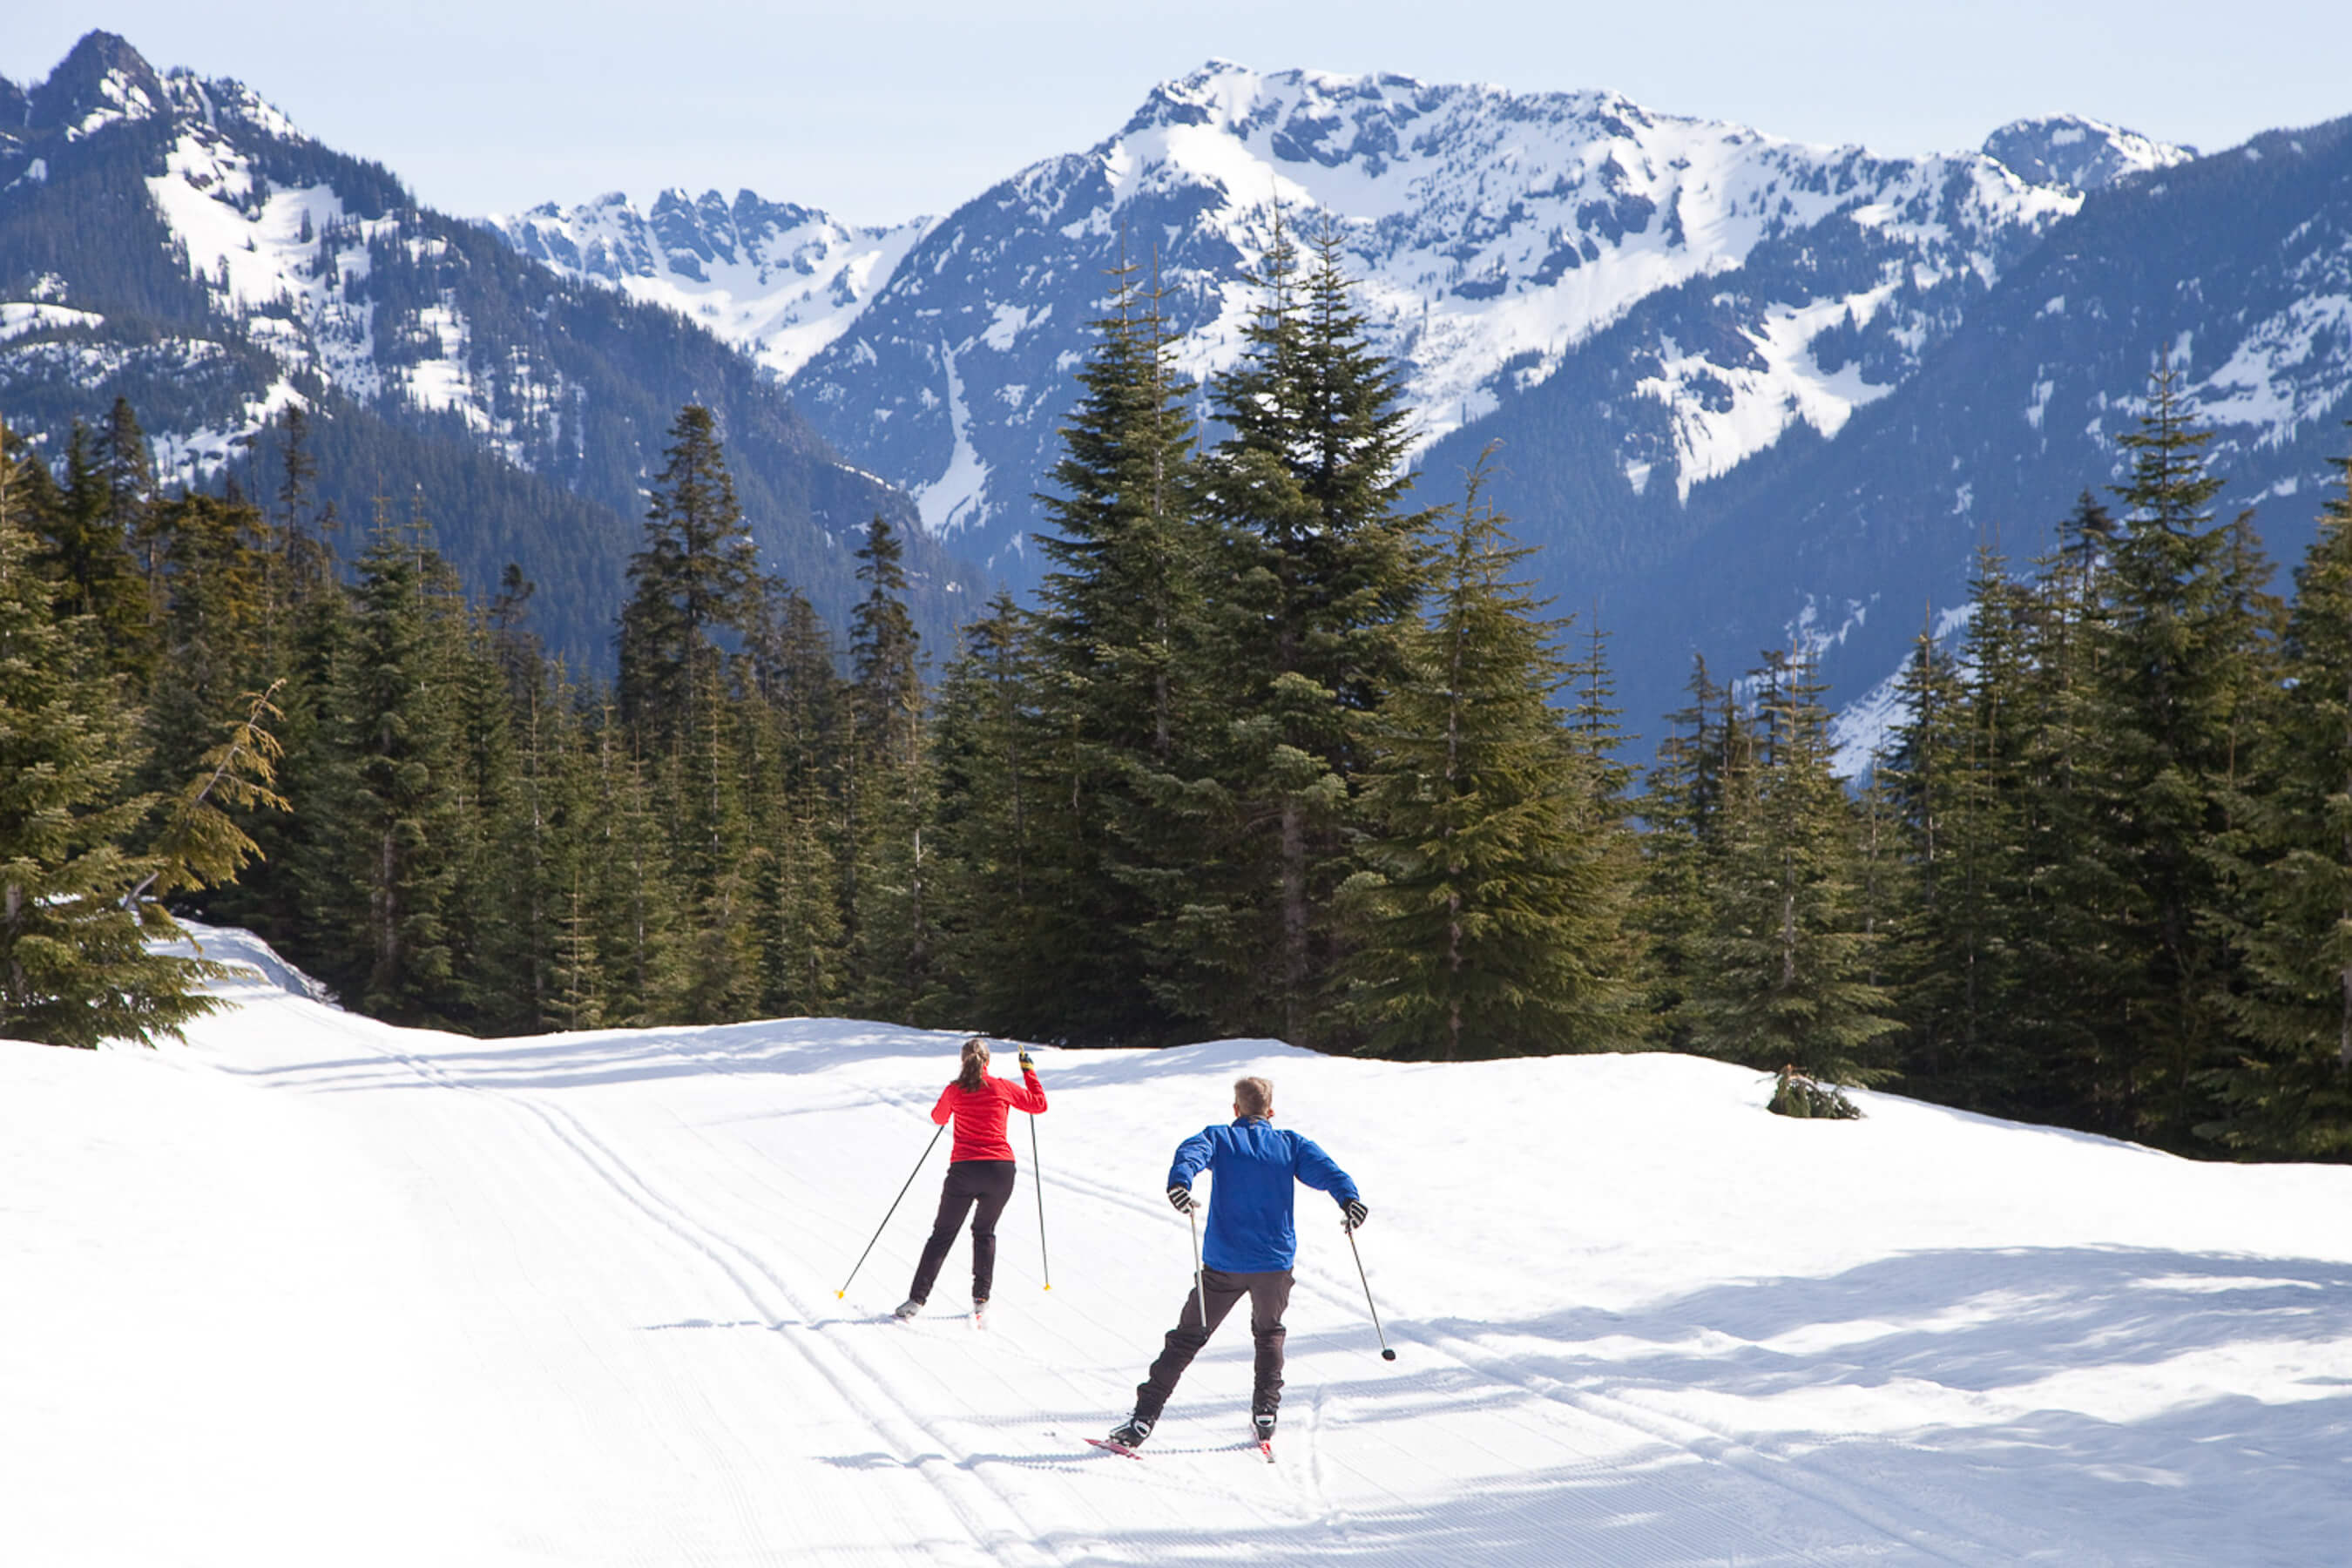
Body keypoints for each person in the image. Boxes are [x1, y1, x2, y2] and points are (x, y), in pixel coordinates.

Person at [1105, 1075, 1365, 1450]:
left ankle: (1143, 1420)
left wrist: (1180, 1184)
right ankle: (1266, 1412)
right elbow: (1328, 1172)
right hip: (1274, 1264)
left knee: (1187, 1339)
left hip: (1224, 1264)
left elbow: (1190, 1154)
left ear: (1235, 1109)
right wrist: (1350, 1200)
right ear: (1271, 1111)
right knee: (1269, 1332)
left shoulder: (1220, 1137)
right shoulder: (1290, 1144)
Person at [895, 1038, 1046, 1323]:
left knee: (942, 1235)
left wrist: (955, 1105)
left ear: (963, 1061)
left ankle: (916, 1300)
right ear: (987, 1061)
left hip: (964, 1171)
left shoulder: (955, 1089)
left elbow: (938, 1117)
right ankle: (981, 1300)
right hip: (1001, 1171)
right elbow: (1039, 1105)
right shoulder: (1001, 1087)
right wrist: (1028, 1072)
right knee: (984, 1231)